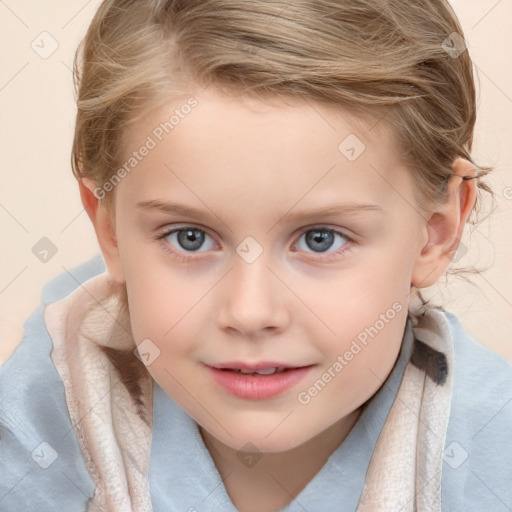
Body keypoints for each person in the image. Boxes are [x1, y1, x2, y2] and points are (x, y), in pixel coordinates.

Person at [1, 0, 511, 511]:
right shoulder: (33, 431)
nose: (249, 312)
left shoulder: (494, 458)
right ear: (109, 231)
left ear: (435, 233)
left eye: (320, 239)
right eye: (190, 238)